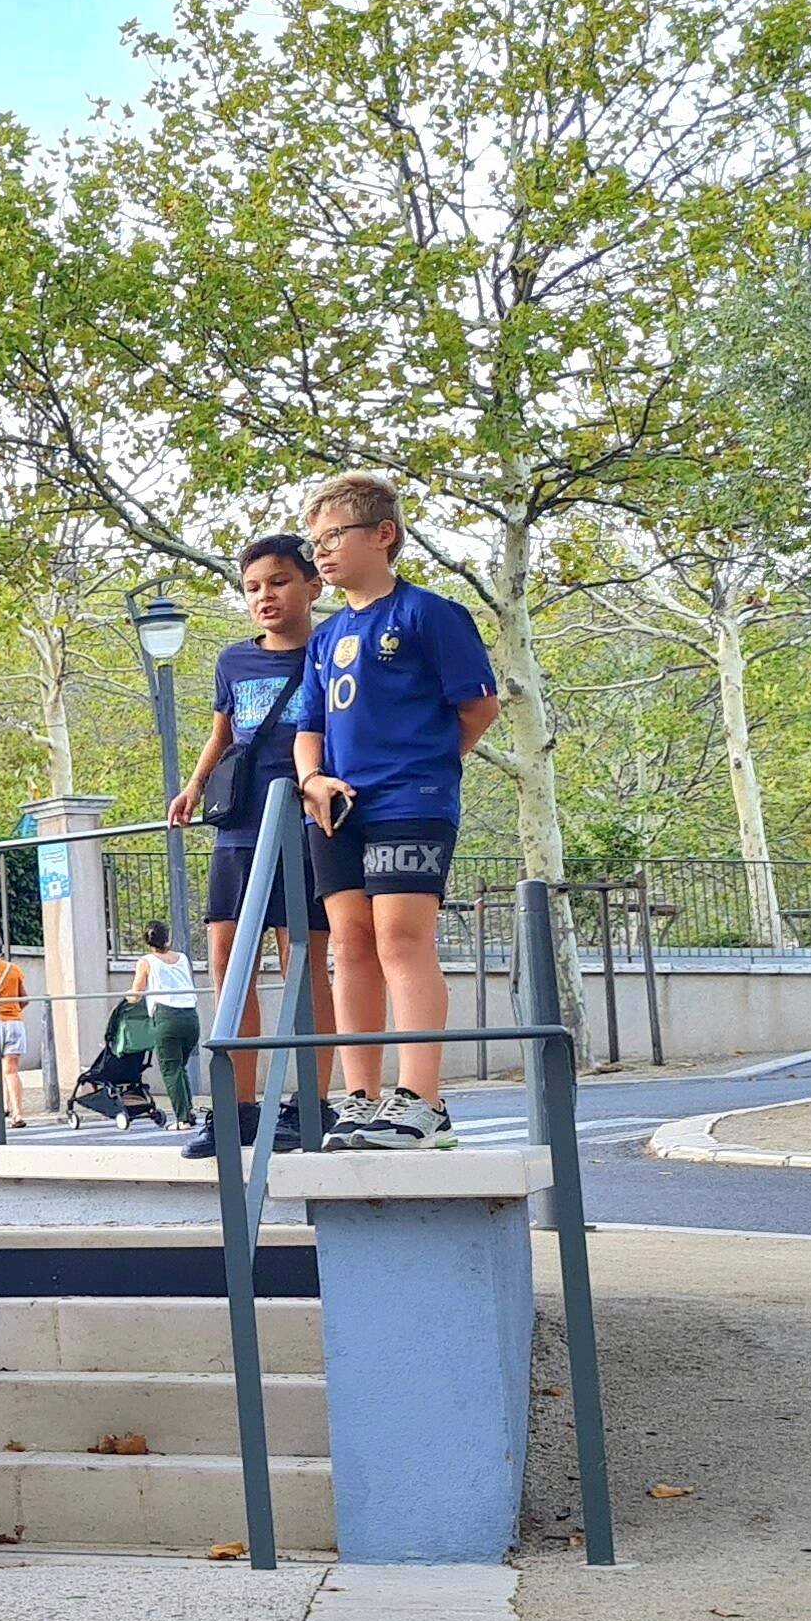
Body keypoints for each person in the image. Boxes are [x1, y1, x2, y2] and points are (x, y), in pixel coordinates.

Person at [291, 473, 499, 1152]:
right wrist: (312, 779)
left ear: (383, 535)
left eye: (334, 537)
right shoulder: (325, 637)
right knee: (348, 945)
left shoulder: (430, 614)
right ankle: (361, 1099)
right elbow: (309, 727)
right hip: (336, 808)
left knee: (400, 940)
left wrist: (430, 764)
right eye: (314, 542)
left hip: (411, 800)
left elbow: (479, 707)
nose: (321, 552)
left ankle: (422, 1100)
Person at [167, 533, 332, 1158]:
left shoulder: (333, 650)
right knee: (228, 962)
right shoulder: (233, 661)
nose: (265, 596)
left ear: (313, 585)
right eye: (253, 587)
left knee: (302, 965)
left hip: (306, 826)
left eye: (279, 582)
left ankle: (311, 1103)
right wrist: (194, 785)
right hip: (238, 827)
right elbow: (223, 733)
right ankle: (233, 1108)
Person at [134, 922, 202, 1128]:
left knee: (171, 1069)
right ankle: (188, 1111)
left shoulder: (146, 961)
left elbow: (135, 994)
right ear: (168, 937)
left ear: (147, 942)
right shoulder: (182, 958)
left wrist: (129, 997)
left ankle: (183, 1119)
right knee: (180, 1068)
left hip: (167, 1017)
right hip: (190, 1018)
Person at [0, 953, 34, 1128]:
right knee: (11, 1070)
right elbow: (24, 998)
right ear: (1, 952)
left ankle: (1, 1107)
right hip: (14, 1024)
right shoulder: (13, 969)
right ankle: (16, 1114)